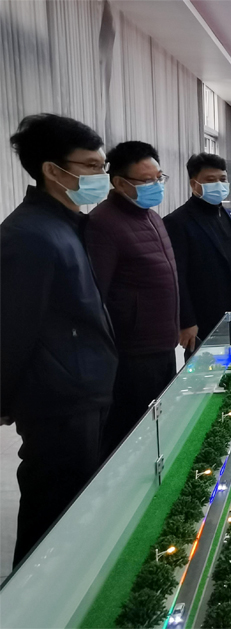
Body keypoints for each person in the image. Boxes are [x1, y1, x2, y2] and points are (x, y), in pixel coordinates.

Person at [2, 114, 118, 566]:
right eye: (90, 166)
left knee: (74, 505)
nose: (101, 176)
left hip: (81, 390)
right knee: (51, 511)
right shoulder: (28, 235)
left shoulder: (67, 223)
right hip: (58, 401)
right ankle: (32, 592)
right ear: (52, 170)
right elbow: (13, 329)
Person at [86, 141, 179, 458]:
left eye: (159, 177)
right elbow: (96, 295)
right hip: (132, 353)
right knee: (131, 432)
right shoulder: (104, 224)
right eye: (146, 180)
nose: (156, 185)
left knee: (158, 421)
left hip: (162, 344)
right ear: (120, 183)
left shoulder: (151, 217)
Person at [163, 153, 231, 352]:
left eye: (222, 179)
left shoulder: (230, 215)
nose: (219, 184)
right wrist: (186, 321)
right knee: (208, 366)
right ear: (194, 184)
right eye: (210, 180)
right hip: (206, 314)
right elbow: (177, 277)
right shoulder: (177, 222)